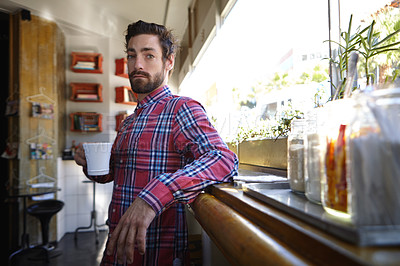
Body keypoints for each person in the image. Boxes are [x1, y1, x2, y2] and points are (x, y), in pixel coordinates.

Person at [74, 20, 238, 266]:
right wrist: (91, 165)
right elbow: (118, 175)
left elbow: (223, 160)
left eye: (149, 55)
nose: (137, 64)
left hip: (156, 254)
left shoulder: (181, 109)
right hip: (117, 250)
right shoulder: (129, 122)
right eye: (132, 55)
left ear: (168, 62)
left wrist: (152, 196)